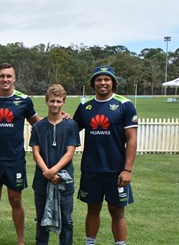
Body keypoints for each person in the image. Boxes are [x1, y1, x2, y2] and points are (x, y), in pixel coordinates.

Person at [0, 62, 42, 245]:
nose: (5, 79)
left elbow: (39, 123)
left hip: (15, 160)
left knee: (15, 199)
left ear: (14, 78)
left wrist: (60, 117)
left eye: (8, 76)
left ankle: (20, 241)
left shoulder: (24, 100)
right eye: (2, 76)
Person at [73, 66, 138, 245]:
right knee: (92, 209)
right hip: (91, 168)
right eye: (99, 79)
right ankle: (90, 243)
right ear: (93, 83)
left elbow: (132, 139)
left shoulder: (125, 105)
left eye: (106, 79)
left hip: (116, 169)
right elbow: (70, 131)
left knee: (117, 211)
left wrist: (127, 169)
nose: (102, 83)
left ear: (113, 83)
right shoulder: (85, 107)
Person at [29, 84, 80, 245]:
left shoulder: (71, 125)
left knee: (66, 221)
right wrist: (47, 172)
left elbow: (70, 152)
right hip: (42, 181)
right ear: (46, 101)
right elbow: (36, 153)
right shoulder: (38, 126)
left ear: (63, 102)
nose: (55, 105)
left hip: (64, 182)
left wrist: (54, 171)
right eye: (52, 101)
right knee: (41, 221)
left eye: (58, 101)